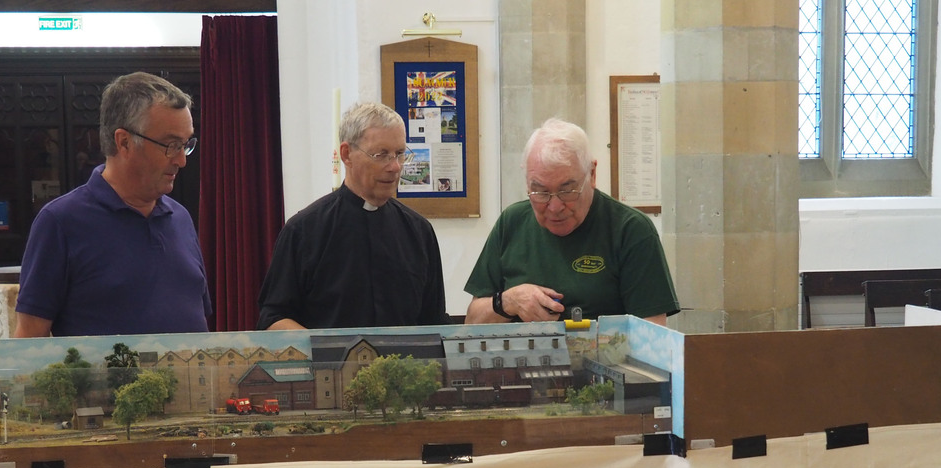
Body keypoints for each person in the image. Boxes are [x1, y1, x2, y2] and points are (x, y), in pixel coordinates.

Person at [14, 72, 211, 337]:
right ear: (124, 142)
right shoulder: (60, 222)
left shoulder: (180, 218)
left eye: (186, 145)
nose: (181, 160)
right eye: (171, 145)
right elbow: (29, 339)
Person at [464, 118, 679, 325]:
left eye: (568, 190)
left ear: (592, 175)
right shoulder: (512, 222)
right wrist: (508, 302)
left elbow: (653, 332)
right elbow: (472, 322)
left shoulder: (630, 229)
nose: (555, 206)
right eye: (540, 191)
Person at [256, 102, 449, 330]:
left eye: (399, 154)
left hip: (403, 365)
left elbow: (434, 321)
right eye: (382, 155)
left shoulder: (419, 231)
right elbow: (274, 319)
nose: (395, 167)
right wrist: (324, 352)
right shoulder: (304, 231)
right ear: (347, 155)